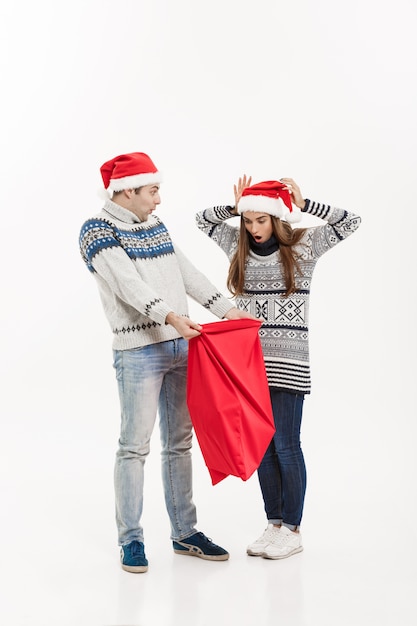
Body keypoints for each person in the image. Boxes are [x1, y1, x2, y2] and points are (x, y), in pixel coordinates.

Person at [79, 152, 251, 573]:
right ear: (128, 190)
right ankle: (131, 541)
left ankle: (185, 533)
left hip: (183, 346)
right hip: (140, 350)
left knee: (179, 443)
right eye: (153, 191)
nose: (158, 201)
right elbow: (126, 284)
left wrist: (228, 311)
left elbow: (185, 272)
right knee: (133, 447)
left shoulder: (156, 225)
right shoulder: (96, 231)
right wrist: (170, 316)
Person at [195, 175, 361, 559]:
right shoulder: (238, 249)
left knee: (286, 445)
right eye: (248, 221)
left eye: (261, 220)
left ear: (277, 219)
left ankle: (293, 528)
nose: (253, 228)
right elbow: (202, 220)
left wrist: (305, 205)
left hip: (288, 363)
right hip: (249, 367)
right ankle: (273, 525)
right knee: (263, 449)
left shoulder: (303, 247)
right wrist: (234, 209)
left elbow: (350, 222)